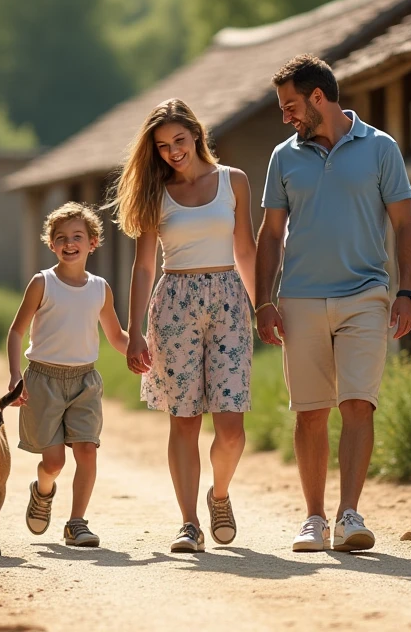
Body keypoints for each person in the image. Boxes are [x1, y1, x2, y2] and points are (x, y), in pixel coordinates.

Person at [255, 53, 411, 554]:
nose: (285, 115)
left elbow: (405, 224)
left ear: (318, 98)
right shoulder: (284, 157)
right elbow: (271, 232)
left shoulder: (381, 148)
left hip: (366, 294)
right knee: (309, 412)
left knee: (357, 403)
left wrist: (406, 291)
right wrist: (262, 300)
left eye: (290, 105)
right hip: (300, 297)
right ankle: (314, 518)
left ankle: (349, 514)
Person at [112, 99, 257, 553]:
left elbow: (247, 250)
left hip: (229, 302)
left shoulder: (234, 181)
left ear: (196, 134)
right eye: (162, 146)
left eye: (179, 140)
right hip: (173, 304)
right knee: (185, 422)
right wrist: (134, 331)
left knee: (231, 429)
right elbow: (142, 267)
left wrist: (264, 305)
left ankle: (219, 496)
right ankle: (189, 522)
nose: (173, 151)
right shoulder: (156, 193)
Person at [7, 202, 129, 547]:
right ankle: (43, 491)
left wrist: (143, 350)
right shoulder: (41, 283)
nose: (69, 243)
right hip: (42, 381)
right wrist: (16, 377)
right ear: (51, 244)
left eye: (78, 236)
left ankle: (77, 523)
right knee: (54, 462)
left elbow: (117, 337)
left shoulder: (100, 288)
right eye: (61, 238)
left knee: (87, 450)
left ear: (93, 242)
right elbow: (17, 332)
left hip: (85, 381)